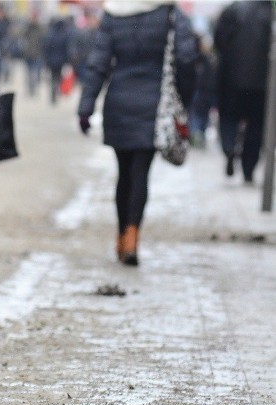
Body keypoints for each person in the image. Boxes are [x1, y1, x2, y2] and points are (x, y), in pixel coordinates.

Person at [77, 0, 196, 267]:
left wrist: (86, 107)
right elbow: (187, 58)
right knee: (141, 172)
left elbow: (99, 63)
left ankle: (121, 237)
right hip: (154, 104)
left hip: (118, 100)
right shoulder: (170, 13)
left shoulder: (113, 12)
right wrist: (183, 101)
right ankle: (132, 237)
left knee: (124, 173)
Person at [214, 0, 272, 184]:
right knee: (256, 127)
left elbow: (219, 41)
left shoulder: (232, 10)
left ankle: (229, 148)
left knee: (229, 119)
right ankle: (248, 168)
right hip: (261, 84)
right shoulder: (269, 13)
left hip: (232, 80)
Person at [43, 18, 71, 106]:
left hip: (51, 61)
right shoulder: (64, 36)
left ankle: (53, 92)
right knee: (58, 77)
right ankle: (56, 90)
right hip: (60, 61)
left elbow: (46, 49)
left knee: (53, 77)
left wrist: (46, 61)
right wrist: (67, 61)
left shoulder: (50, 35)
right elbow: (66, 50)